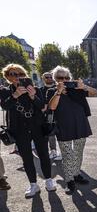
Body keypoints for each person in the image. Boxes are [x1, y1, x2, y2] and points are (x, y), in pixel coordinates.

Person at [0, 64, 56, 198]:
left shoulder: (35, 88)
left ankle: (48, 180)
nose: (17, 77)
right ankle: (33, 185)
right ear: (7, 77)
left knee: (43, 154)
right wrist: (15, 95)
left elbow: (42, 106)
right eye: (12, 74)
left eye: (19, 74)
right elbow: (5, 106)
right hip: (19, 129)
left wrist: (33, 96)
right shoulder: (5, 91)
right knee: (27, 158)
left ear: (24, 75)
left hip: (37, 125)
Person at [47, 66, 97, 195]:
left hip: (80, 125)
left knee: (78, 153)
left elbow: (95, 92)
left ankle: (76, 174)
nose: (64, 80)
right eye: (60, 77)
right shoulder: (52, 91)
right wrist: (58, 92)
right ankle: (69, 180)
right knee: (67, 155)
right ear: (55, 79)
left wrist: (84, 87)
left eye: (66, 77)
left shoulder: (77, 90)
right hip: (63, 127)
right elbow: (52, 107)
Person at [39, 72, 62, 161]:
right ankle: (53, 151)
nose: (49, 78)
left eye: (50, 76)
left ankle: (63, 151)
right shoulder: (40, 90)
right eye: (46, 77)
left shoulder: (58, 88)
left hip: (60, 114)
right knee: (50, 133)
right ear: (43, 79)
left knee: (61, 133)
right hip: (48, 115)